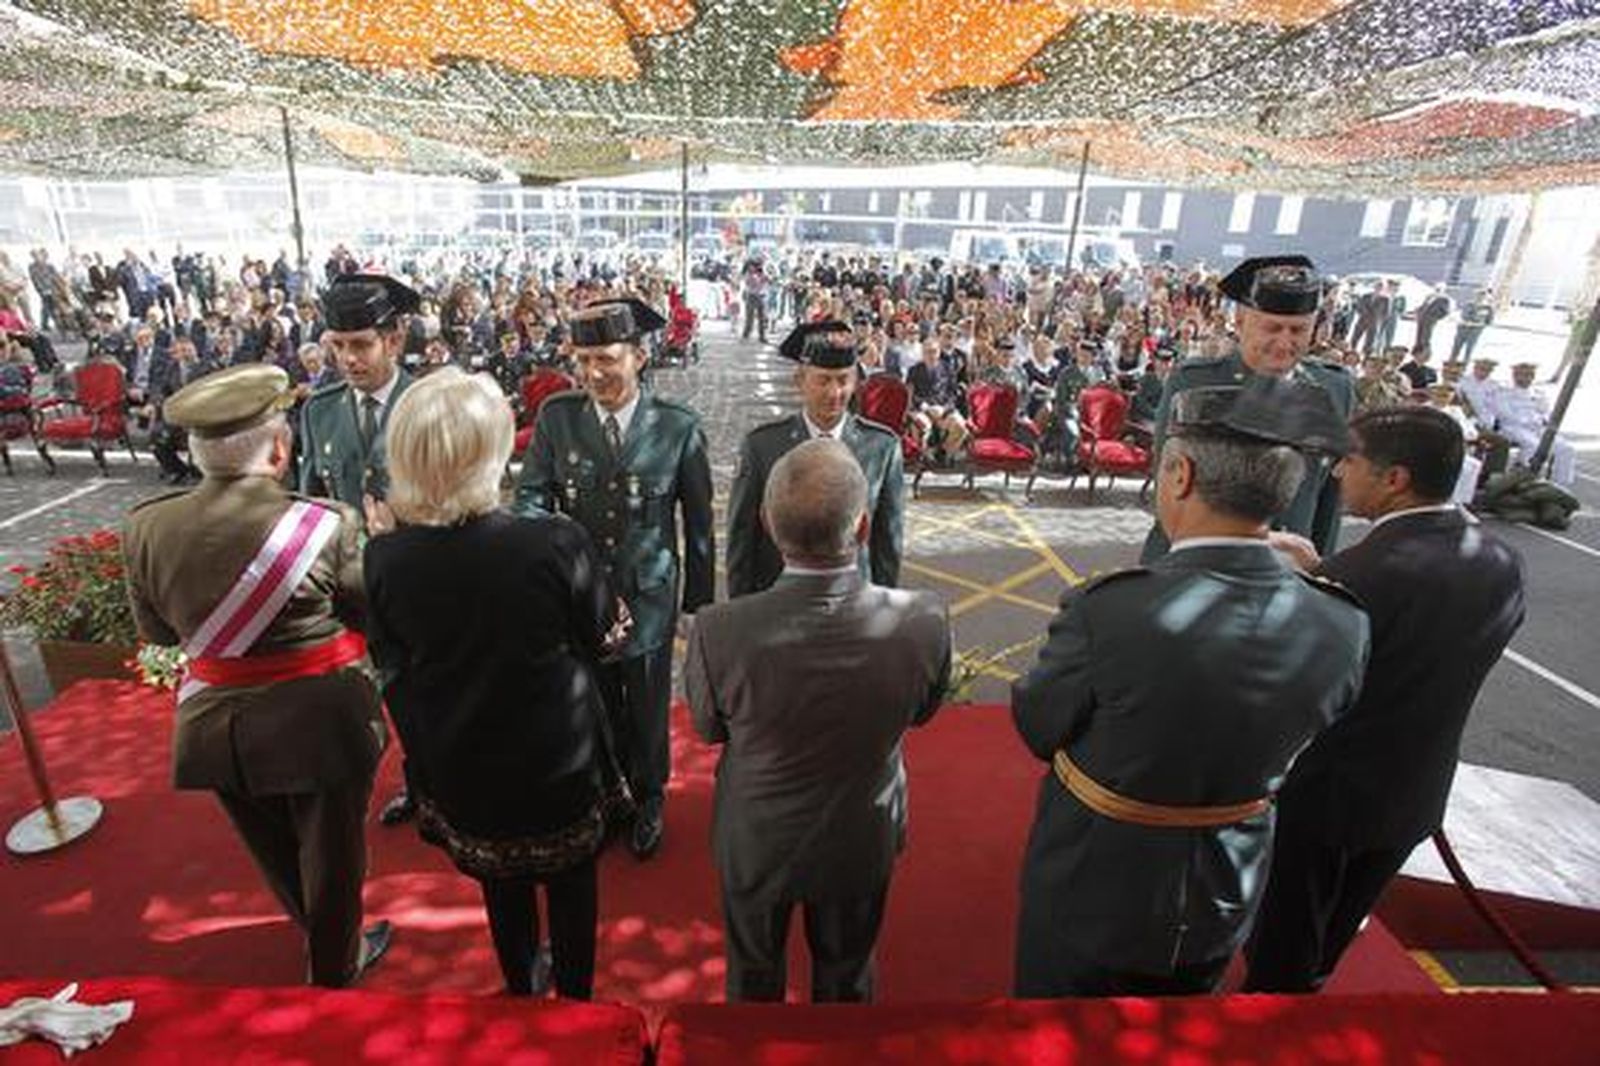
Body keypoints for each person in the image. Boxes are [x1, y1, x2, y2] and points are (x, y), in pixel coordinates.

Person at [1012, 376, 1370, 997]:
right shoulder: (1342, 621)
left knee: (1060, 1027)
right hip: (1229, 884)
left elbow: (1038, 724)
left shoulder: (1110, 610)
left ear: (1177, 475)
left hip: (1096, 877)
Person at [122, 364, 391, 987]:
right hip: (319, 720)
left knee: (272, 847)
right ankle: (336, 966)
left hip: (215, 723)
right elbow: (370, 617)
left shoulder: (145, 526)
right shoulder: (326, 524)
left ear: (194, 453)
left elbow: (159, 636)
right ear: (280, 447)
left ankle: (316, 931)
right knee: (333, 856)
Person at [1245, 406, 1526, 992]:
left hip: (1329, 799)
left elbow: (1297, 684)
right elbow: (1416, 643)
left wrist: (1314, 586)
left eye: (1349, 460)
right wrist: (1325, 571)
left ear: (1394, 479)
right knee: (1333, 936)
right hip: (1416, 792)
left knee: (1282, 953)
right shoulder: (1501, 562)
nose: (1338, 474)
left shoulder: (1360, 576)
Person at [364, 368, 624, 999]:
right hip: (558, 758)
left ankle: (520, 986)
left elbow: (391, 658)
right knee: (572, 887)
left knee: (501, 888)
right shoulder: (554, 540)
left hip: (460, 759)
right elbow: (609, 639)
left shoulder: (384, 556)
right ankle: (577, 1000)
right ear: (494, 451)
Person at [687, 439, 951, 1002]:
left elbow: (709, 730)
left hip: (759, 838)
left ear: (764, 522)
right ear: (862, 529)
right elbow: (923, 712)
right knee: (847, 978)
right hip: (861, 833)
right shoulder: (924, 620)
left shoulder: (718, 630)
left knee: (753, 982)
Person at [514, 297, 714, 859]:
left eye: (607, 358)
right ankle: (608, 794)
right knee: (594, 702)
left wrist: (698, 601)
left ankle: (650, 796)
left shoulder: (677, 428)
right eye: (584, 360)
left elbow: (698, 522)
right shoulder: (559, 417)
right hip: (580, 596)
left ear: (639, 356)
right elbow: (530, 497)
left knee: (648, 703)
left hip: (648, 595)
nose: (595, 373)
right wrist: (549, 552)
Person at [299, 272, 420, 826]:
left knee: (432, 693)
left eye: (361, 345)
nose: (347, 359)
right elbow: (309, 500)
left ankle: (439, 783)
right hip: (355, 590)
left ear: (394, 340)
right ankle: (417, 785)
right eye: (337, 346)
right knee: (381, 695)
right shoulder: (318, 409)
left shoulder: (429, 403)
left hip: (425, 579)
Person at [1140, 256, 1354, 562]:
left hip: (1289, 570)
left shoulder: (1335, 388)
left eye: (1298, 330)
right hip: (1198, 564)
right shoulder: (1195, 381)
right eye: (1272, 328)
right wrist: (1258, 540)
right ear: (1240, 322)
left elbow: (1329, 499)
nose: (1284, 342)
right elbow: (1171, 485)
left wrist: (1321, 574)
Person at [726, 321, 904, 598]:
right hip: (778, 604)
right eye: (823, 380)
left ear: (856, 381)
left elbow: (888, 542)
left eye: (843, 380)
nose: (835, 394)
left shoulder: (881, 447)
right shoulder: (762, 447)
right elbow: (742, 540)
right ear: (800, 381)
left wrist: (883, 611)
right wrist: (742, 615)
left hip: (854, 606)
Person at [1498, 361, 1577, 487]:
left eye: (1529, 375)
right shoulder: (1504, 392)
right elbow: (1504, 414)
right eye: (1522, 374)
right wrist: (1530, 420)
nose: (1526, 378)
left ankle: (1558, 485)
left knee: (1566, 449)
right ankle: (1523, 481)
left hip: (1538, 427)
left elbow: (1546, 412)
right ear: (1515, 376)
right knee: (1533, 446)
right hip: (1514, 427)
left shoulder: (1538, 393)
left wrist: (1542, 420)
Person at [1450, 288, 1494, 364]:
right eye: (1478, 295)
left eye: (1482, 296)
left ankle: (1465, 365)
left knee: (1469, 349)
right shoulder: (1469, 304)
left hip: (1475, 331)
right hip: (1463, 329)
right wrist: (1467, 321)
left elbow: (1489, 320)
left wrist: (1480, 324)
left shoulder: (1488, 308)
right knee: (1456, 348)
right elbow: (1464, 315)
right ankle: (1451, 362)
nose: (1480, 297)